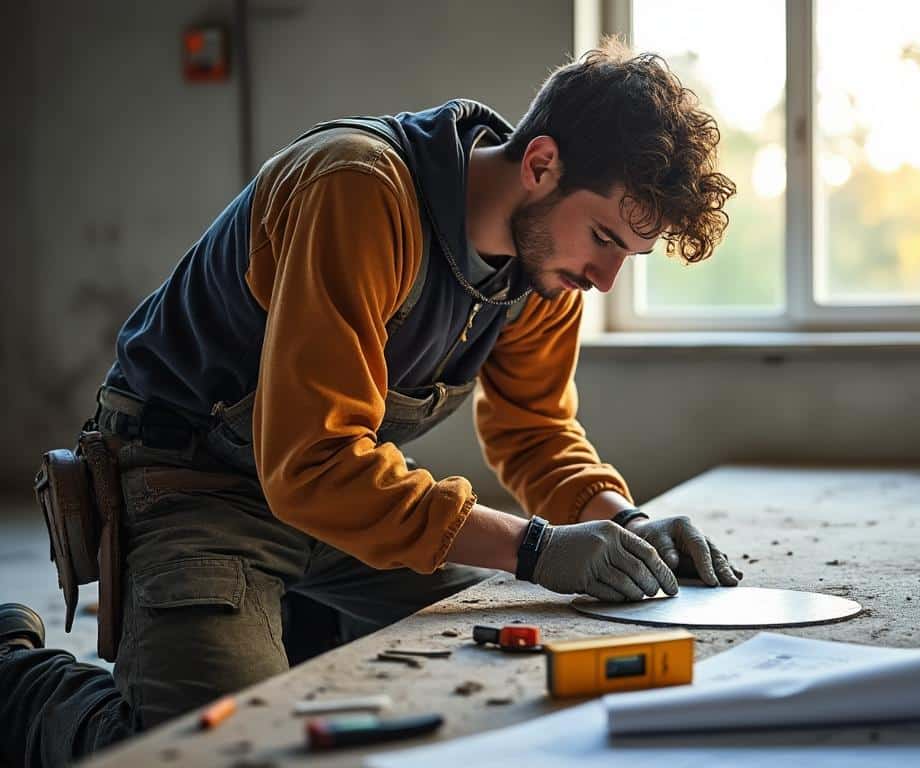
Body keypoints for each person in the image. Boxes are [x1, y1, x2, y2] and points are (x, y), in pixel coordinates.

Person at [0, 40, 739, 767]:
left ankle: (302, 634)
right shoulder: (358, 188)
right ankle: (14, 677)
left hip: (348, 497)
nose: (606, 279)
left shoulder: (550, 267)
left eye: (627, 257)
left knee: (517, 663)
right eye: (604, 238)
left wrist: (625, 520)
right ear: (541, 164)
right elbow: (312, 462)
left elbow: (537, 431)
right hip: (191, 489)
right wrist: (536, 547)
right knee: (218, 751)